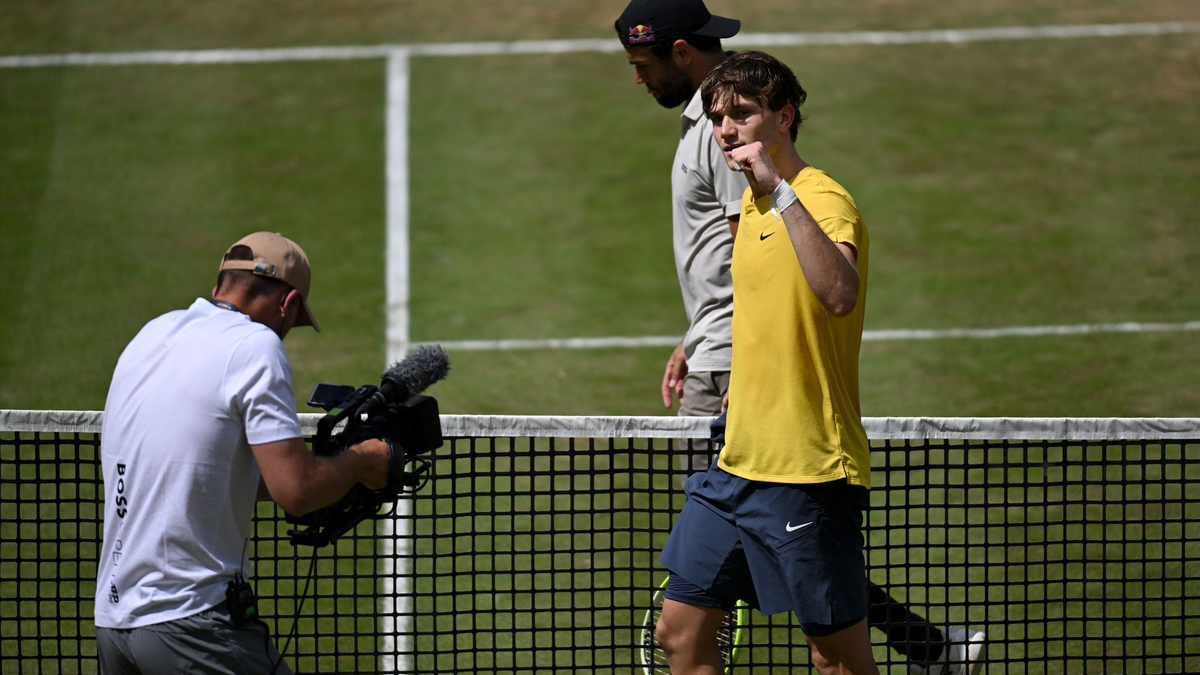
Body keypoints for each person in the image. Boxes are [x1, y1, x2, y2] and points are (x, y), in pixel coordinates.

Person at [639, 47, 984, 675]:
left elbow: (839, 293)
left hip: (808, 470)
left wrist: (779, 189)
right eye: (718, 118)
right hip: (734, 462)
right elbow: (760, 305)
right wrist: (700, 341)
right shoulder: (749, 207)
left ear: (785, 117)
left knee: (836, 660)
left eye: (742, 114)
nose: (725, 130)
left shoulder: (822, 198)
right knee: (680, 633)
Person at [93, 232, 393, 675]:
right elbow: (298, 492)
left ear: (219, 287)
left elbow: (197, 472)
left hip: (115, 627)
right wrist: (364, 461)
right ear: (288, 304)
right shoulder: (255, 345)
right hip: (193, 627)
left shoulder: (151, 334)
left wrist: (323, 468)